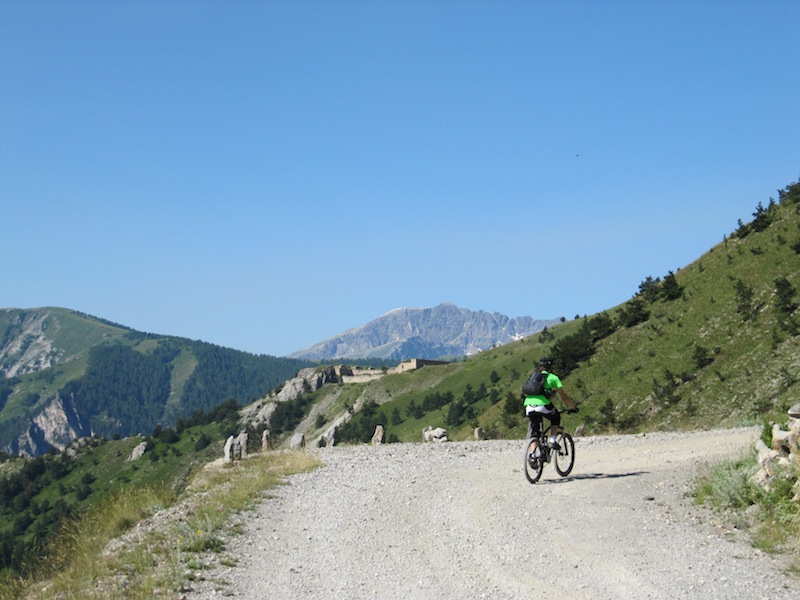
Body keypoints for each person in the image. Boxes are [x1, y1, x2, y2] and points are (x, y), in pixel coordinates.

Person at [523, 357, 578, 448]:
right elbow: (564, 398)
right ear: (551, 367)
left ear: (541, 367)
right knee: (556, 417)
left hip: (529, 406)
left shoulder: (533, 377)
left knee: (535, 431)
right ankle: (552, 441)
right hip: (542, 406)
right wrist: (573, 407)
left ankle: (532, 455)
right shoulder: (553, 378)